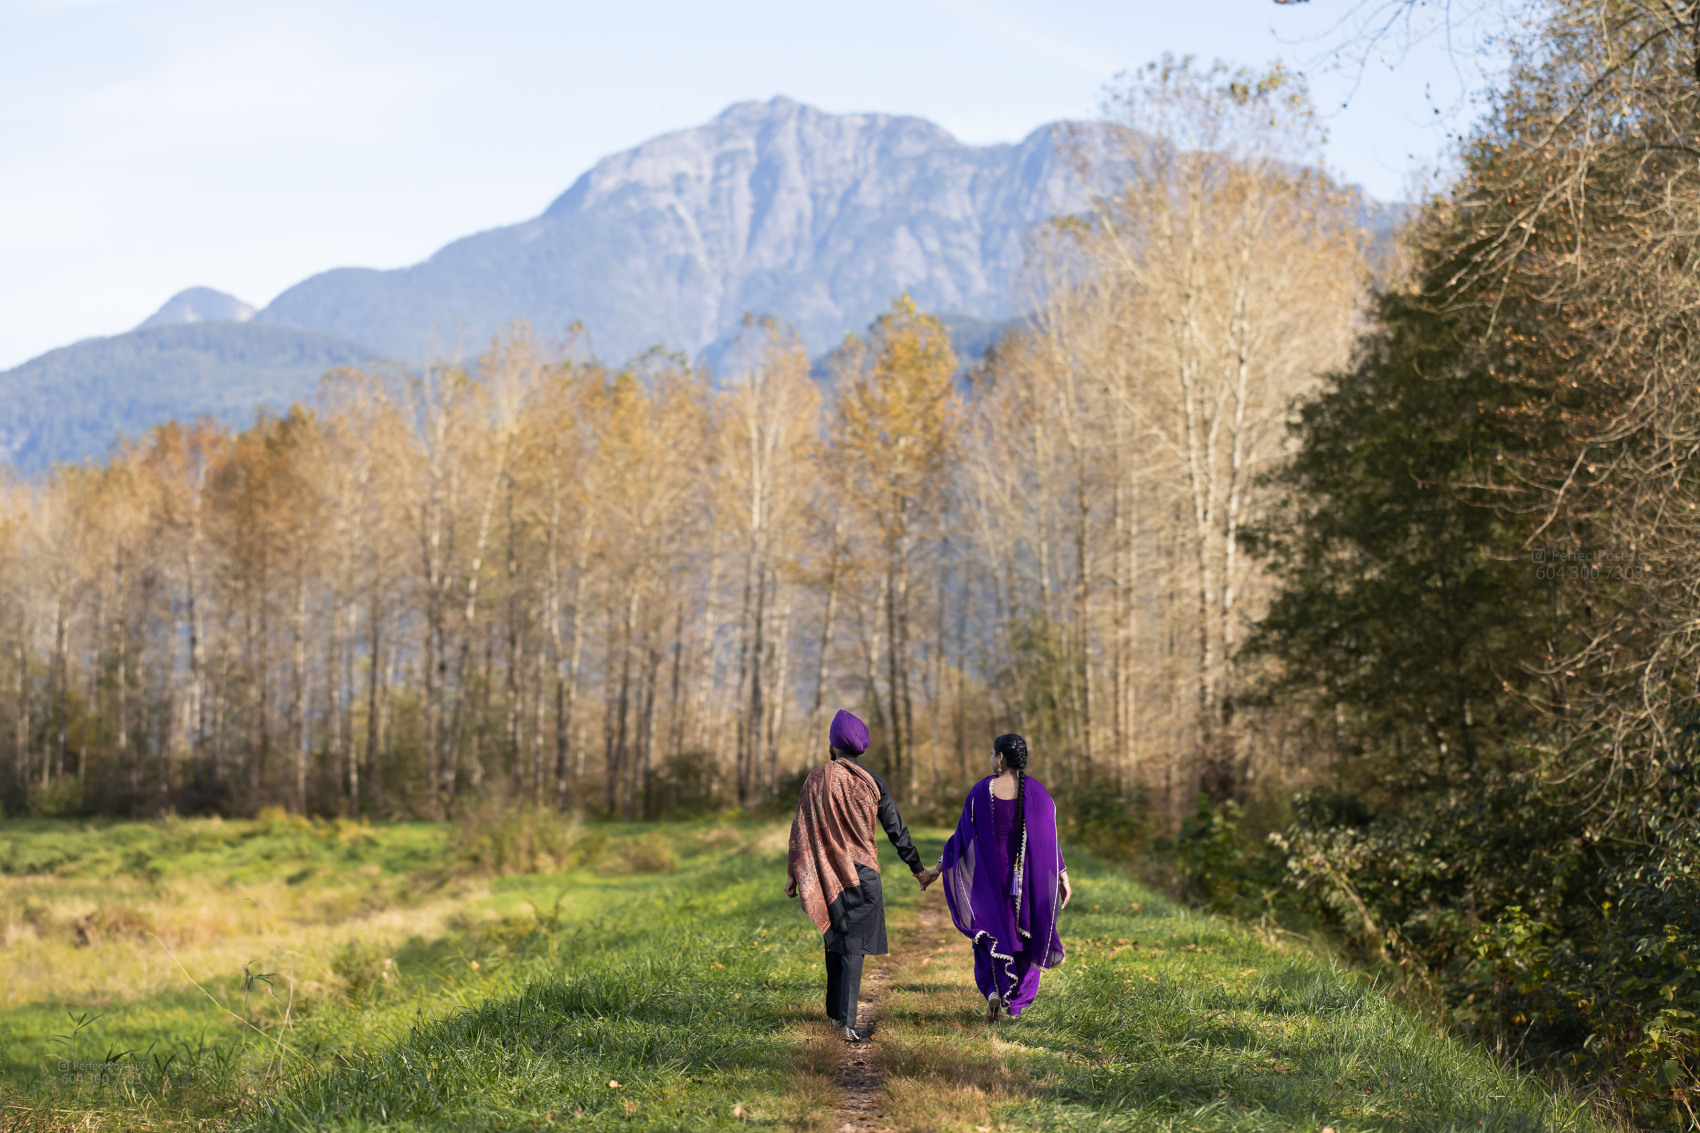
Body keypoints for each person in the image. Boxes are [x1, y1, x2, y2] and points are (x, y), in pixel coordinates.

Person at [786, 709, 927, 1042]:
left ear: (834, 743)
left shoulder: (816, 779)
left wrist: (794, 873)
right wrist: (918, 869)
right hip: (863, 874)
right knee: (852, 947)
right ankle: (846, 1022)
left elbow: (801, 829)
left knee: (835, 940)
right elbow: (896, 829)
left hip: (827, 871)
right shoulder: (872, 781)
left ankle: (837, 1017)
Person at [919, 733, 1070, 1022]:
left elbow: (961, 839)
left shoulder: (981, 791)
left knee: (989, 933)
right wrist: (1062, 874)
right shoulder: (1038, 793)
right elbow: (1048, 840)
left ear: (1000, 757)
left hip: (989, 877)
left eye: (992, 753)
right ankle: (1016, 1002)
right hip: (1027, 880)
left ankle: (992, 991)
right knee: (1023, 938)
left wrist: (937, 870)